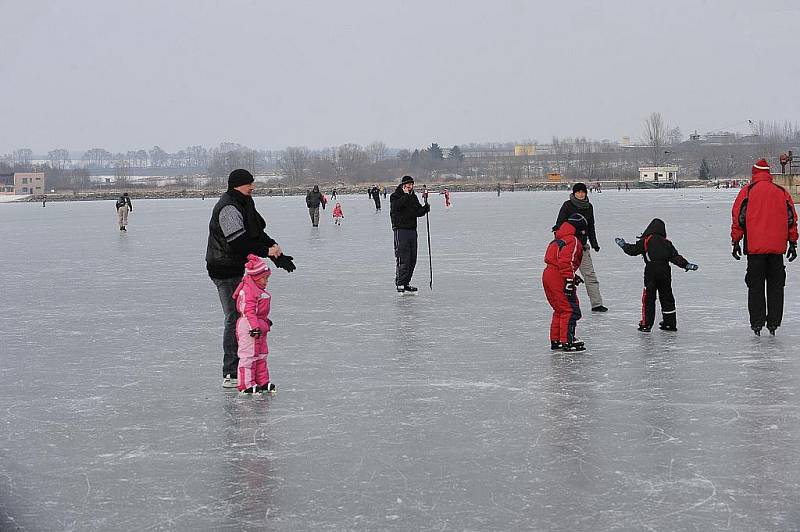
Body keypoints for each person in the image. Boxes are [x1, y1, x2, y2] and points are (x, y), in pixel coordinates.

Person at [206, 169, 295, 389]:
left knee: (243, 315)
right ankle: (231, 371)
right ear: (238, 185)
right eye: (249, 184)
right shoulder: (228, 208)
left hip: (237, 266)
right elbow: (239, 242)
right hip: (223, 268)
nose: (253, 187)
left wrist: (276, 253)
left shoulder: (245, 202)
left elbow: (256, 233)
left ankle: (244, 366)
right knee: (236, 317)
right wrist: (267, 251)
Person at [731, 158, 798, 336]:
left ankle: (757, 324)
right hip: (777, 250)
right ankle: (774, 323)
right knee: (776, 287)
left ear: (754, 173)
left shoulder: (748, 192)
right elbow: (791, 219)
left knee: (755, 287)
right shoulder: (781, 192)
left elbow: (739, 218)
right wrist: (793, 243)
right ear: (768, 174)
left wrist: (736, 241)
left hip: (755, 250)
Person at [615, 218, 698, 332]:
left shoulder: (646, 240)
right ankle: (670, 324)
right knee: (667, 297)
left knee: (649, 298)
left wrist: (623, 245)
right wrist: (686, 265)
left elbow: (633, 250)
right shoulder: (667, 243)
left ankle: (646, 324)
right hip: (665, 272)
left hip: (651, 271)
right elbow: (675, 257)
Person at [554, 183, 607, 312]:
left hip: (582, 247)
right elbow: (560, 224)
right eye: (578, 192)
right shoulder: (567, 205)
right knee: (564, 275)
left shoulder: (589, 207)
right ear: (574, 193)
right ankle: (561, 303)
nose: (581, 194)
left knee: (590, 275)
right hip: (568, 247)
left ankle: (597, 304)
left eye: (583, 192)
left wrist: (594, 243)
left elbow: (591, 227)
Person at [543, 213, 588, 351]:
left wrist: (573, 277)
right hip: (559, 277)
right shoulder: (572, 240)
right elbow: (566, 261)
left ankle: (556, 339)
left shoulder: (557, 240)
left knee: (559, 309)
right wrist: (569, 279)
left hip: (548, 275)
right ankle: (568, 340)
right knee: (570, 309)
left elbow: (558, 261)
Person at [233, 254, 276, 395]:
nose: (266, 281)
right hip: (250, 328)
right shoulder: (248, 291)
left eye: (267, 278)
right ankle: (246, 384)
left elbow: (260, 313)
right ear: (257, 277)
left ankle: (262, 381)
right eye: (265, 278)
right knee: (249, 356)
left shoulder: (258, 290)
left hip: (259, 327)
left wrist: (265, 322)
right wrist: (254, 327)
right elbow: (249, 311)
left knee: (261, 355)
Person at [390, 175, 430, 293]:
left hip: (412, 230)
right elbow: (397, 207)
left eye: (411, 185)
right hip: (400, 230)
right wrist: (406, 195)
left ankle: (406, 282)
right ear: (403, 185)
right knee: (403, 257)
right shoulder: (395, 196)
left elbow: (417, 212)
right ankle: (400, 283)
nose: (410, 187)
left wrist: (425, 209)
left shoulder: (413, 197)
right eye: (408, 185)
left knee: (412, 258)